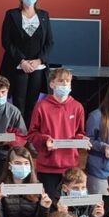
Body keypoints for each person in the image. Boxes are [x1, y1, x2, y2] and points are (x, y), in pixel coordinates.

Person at [28, 67, 86, 200]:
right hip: (47, 167)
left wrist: (82, 140)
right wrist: (45, 140)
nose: (65, 84)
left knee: (70, 206)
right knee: (50, 205)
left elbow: (80, 133)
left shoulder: (77, 107)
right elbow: (32, 134)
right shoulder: (41, 106)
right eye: (61, 81)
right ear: (52, 84)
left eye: (68, 81)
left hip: (70, 166)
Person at [0, 0, 53, 123]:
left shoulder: (44, 15)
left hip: (37, 67)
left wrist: (39, 60)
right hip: (18, 66)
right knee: (19, 102)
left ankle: (30, 132)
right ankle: (19, 132)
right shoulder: (11, 14)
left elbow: (49, 42)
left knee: (33, 103)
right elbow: (6, 41)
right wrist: (22, 61)